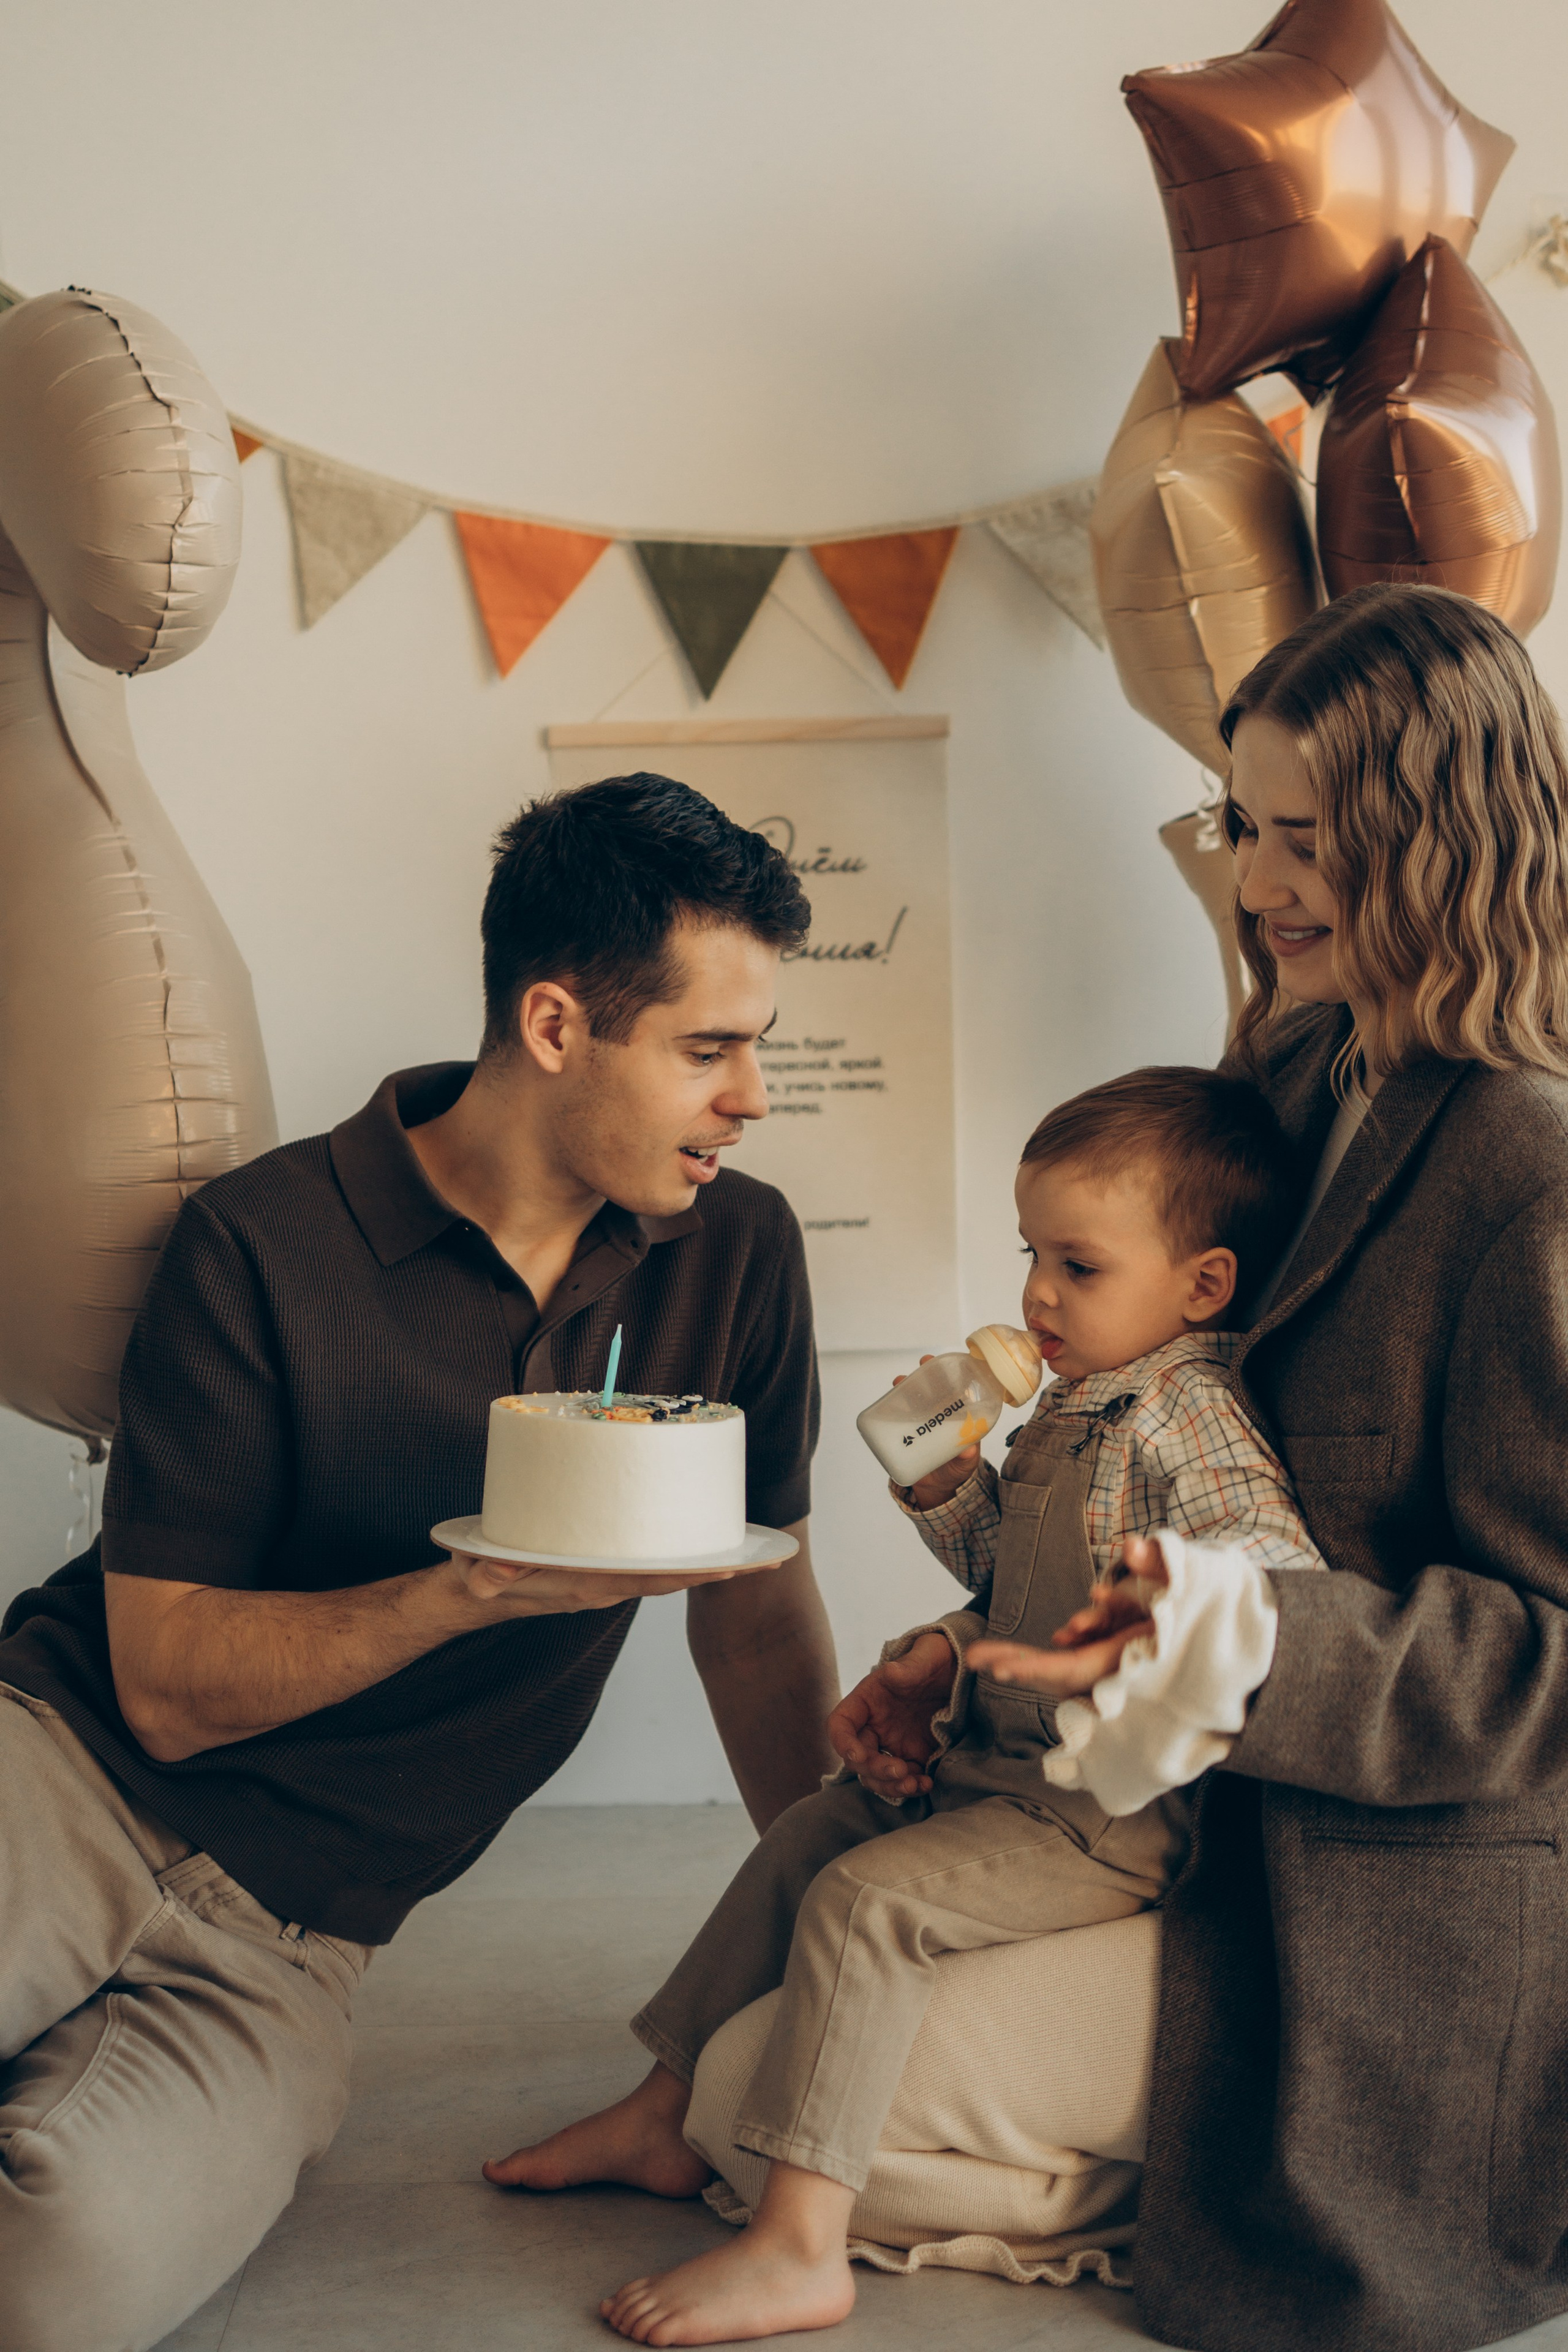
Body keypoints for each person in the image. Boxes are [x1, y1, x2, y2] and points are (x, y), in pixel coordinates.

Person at [0, 774, 839, 2352]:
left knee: (54, 2289)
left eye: (758, 1050)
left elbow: (756, 1611)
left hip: (295, 1939)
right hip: (59, 1779)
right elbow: (167, 1695)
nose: (750, 1099)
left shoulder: (736, 1252)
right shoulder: (261, 1241)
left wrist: (833, 1901)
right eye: (708, 1050)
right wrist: (475, 1590)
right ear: (551, 1027)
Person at [963, 583, 1568, 2352]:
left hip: (1385, 1888)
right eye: (1248, 825)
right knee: (759, 2054)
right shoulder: (1302, 1061)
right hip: (1175, 1810)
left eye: (1310, 840)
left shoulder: (1531, 1172)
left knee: (808, 2118)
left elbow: (1547, 1651)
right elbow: (1184, 1421)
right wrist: (998, 1628)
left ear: (1442, 843)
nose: (1260, 881)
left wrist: (1253, 1638)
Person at [495, 1065, 1327, 2345]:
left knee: (868, 1905)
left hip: (1101, 1815)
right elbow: (1009, 1581)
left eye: (1078, 1264)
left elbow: (1273, 1588)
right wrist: (946, 1490)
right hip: (1001, 1769)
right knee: (810, 1840)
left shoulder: (1187, 1420)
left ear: (1200, 1286)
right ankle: (663, 2110)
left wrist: (1168, 1614)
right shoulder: (1078, 1402)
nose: (1038, 1293)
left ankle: (798, 2242)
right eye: (1028, 1254)